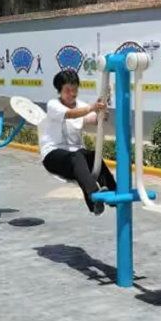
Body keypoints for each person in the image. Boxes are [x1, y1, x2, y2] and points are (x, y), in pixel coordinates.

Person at [39, 69, 116, 215]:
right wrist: (92, 107)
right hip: (53, 155)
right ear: (59, 91)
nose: (72, 94)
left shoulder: (81, 105)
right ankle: (94, 196)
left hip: (75, 157)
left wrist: (101, 113)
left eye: (74, 90)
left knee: (92, 156)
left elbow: (92, 118)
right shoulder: (53, 105)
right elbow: (70, 114)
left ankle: (114, 193)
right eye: (67, 90)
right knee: (77, 156)